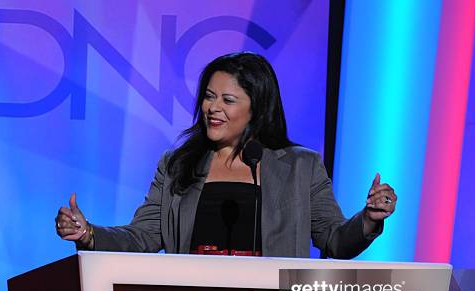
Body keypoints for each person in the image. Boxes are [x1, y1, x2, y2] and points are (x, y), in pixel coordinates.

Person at [55, 52, 397, 258]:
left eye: (228, 101)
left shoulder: (301, 167)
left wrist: (369, 218)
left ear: (257, 109)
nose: (212, 108)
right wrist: (90, 234)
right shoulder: (176, 166)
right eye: (208, 97)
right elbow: (144, 235)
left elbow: (334, 240)